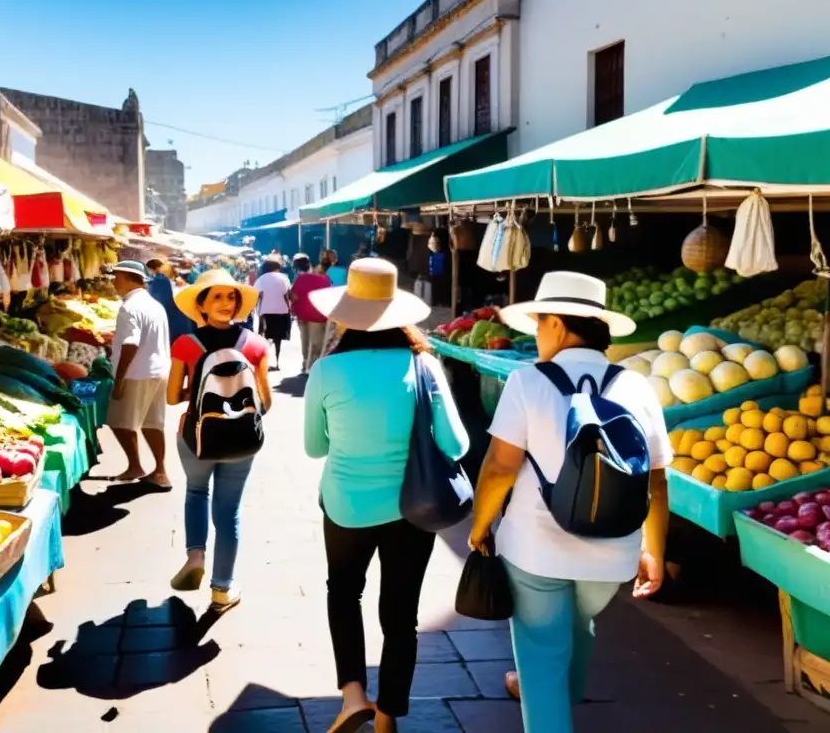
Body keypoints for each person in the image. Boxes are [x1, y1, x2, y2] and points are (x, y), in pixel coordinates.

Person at [467, 271, 672, 733]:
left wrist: (480, 527)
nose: (537, 334)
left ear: (559, 325)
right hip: (615, 554)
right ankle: (562, 694)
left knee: (541, 653)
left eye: (540, 324)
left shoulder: (528, 382)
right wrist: (653, 551)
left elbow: (499, 467)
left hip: (535, 550)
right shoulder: (636, 385)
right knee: (577, 623)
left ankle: (548, 703)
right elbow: (656, 481)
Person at [303, 258, 468, 733]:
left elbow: (315, 448)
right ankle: (387, 716)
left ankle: (353, 695)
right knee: (400, 616)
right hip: (414, 510)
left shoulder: (327, 371)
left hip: (346, 505)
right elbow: (457, 445)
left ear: (344, 315)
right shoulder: (425, 366)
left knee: (344, 592)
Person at [167, 268, 272, 613]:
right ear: (203, 303)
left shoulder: (185, 344)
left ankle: (195, 554)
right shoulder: (256, 346)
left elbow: (171, 398)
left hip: (196, 436)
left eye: (230, 296)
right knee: (228, 514)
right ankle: (222, 590)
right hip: (241, 440)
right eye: (219, 296)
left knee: (196, 492)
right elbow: (265, 403)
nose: (226, 303)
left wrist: (199, 390)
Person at [106, 260, 172, 489]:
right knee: (152, 423)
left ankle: (135, 465)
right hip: (159, 369)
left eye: (116, 277)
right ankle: (160, 471)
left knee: (119, 422)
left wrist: (120, 377)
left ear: (126, 277)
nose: (114, 282)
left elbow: (130, 343)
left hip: (137, 373)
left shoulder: (129, 307)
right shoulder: (154, 305)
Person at [289, 254, 331, 373]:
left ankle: (305, 363)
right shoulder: (325, 279)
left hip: (302, 314)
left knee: (305, 339)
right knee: (316, 341)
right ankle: (312, 365)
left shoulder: (300, 278)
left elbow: (294, 296)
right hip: (317, 314)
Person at [253, 255, 292, 370]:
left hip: (265, 311)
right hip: (281, 311)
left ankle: (264, 361)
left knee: (264, 338)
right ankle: (277, 362)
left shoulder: (261, 279)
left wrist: (255, 309)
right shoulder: (284, 278)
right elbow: (287, 295)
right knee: (278, 339)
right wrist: (289, 309)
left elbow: (257, 295)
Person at [147, 258, 195, 343]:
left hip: (172, 319)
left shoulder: (160, 281)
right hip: (179, 319)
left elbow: (159, 299)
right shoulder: (164, 280)